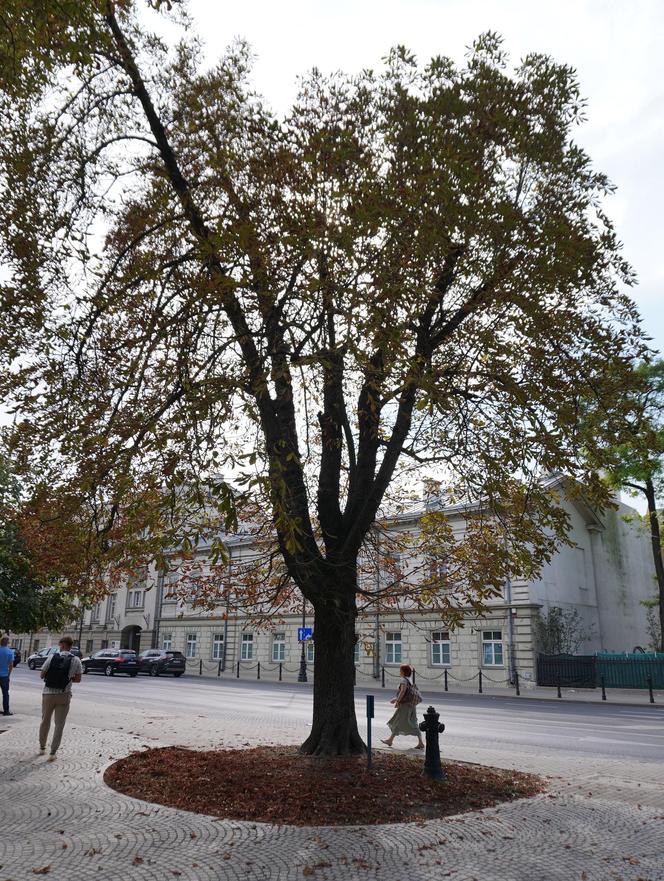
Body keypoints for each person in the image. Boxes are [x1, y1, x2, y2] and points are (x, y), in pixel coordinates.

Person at [39, 635, 83, 761]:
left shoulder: (52, 657)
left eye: (60, 645)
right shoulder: (76, 660)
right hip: (64, 694)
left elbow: (42, 675)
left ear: (62, 645)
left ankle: (42, 747)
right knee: (59, 724)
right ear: (70, 646)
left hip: (48, 694)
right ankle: (53, 753)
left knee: (45, 720)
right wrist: (68, 679)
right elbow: (79, 679)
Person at [381, 663, 424, 749]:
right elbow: (407, 692)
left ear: (403, 672)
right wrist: (396, 698)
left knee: (398, 721)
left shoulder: (403, 680)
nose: (399, 672)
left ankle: (390, 741)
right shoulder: (409, 679)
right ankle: (420, 742)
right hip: (411, 704)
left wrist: (397, 700)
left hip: (405, 705)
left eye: (400, 670)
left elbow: (403, 691)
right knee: (413, 721)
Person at [0, 636, 14, 716]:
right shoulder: (10, 652)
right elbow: (11, 665)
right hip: (4, 676)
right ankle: (6, 711)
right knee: (5, 694)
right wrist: (8, 675)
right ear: (7, 643)